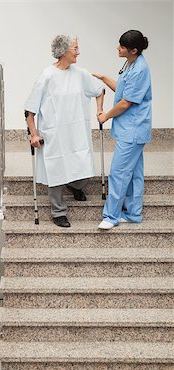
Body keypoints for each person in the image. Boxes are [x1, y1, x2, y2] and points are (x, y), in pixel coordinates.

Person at [25, 34, 104, 227]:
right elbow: (30, 110)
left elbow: (99, 89)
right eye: (75, 48)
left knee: (83, 168)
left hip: (77, 132)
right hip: (54, 134)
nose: (79, 52)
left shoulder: (80, 73)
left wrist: (100, 110)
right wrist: (34, 134)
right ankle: (58, 212)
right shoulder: (47, 76)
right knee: (56, 170)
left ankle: (74, 185)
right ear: (63, 51)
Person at [93, 30, 152, 230]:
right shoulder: (132, 63)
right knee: (134, 173)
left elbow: (125, 103)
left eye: (121, 46)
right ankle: (134, 214)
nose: (118, 48)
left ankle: (111, 216)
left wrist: (105, 115)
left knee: (118, 172)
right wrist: (103, 77)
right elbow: (122, 89)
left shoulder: (140, 69)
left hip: (133, 130)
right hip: (132, 128)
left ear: (133, 50)